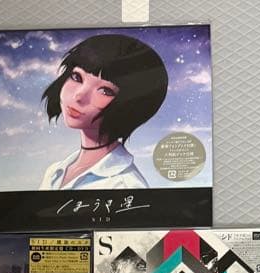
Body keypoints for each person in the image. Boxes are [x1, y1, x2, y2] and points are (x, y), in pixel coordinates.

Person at [39, 33, 168, 191]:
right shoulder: (55, 171)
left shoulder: (125, 185)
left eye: (105, 91)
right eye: (77, 77)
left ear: (130, 105)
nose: (79, 96)